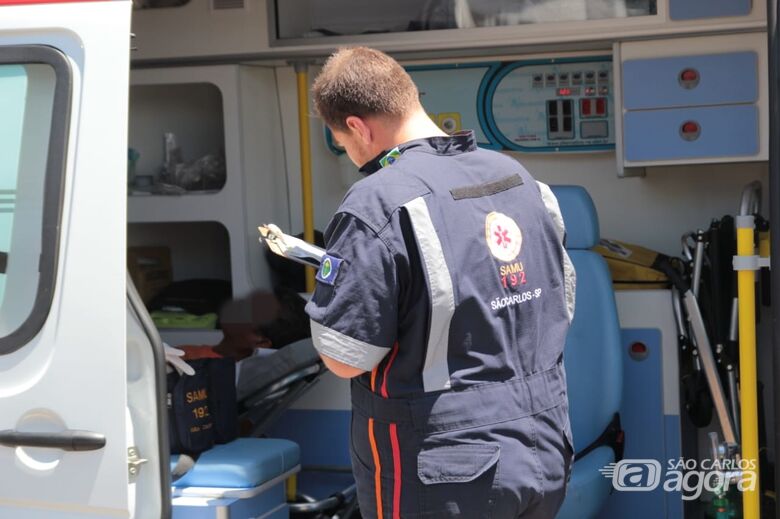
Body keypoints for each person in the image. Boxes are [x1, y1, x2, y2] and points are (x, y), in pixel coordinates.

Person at [305, 47, 576, 518]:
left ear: (357, 128)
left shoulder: (377, 201)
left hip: (444, 467)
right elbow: (560, 300)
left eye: (345, 144)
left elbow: (344, 358)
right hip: (543, 445)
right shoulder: (520, 179)